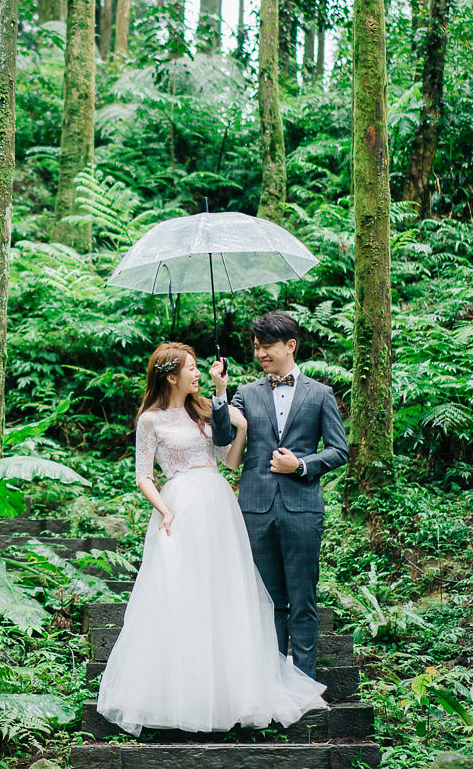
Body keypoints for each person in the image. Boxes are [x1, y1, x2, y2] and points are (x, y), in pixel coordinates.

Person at [95, 342, 328, 736]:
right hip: (180, 505)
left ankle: (233, 686)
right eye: (192, 367)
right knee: (182, 593)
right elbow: (143, 476)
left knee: (225, 592)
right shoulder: (150, 420)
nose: (198, 372)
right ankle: (184, 691)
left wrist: (239, 425)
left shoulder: (202, 409)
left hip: (218, 503)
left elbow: (229, 461)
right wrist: (165, 510)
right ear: (172, 377)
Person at [210, 311, 349, 680]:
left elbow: (339, 450)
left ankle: (304, 683)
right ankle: (269, 683)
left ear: (291, 345)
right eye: (256, 347)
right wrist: (221, 394)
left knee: (302, 599)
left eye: (267, 346)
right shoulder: (246, 393)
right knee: (266, 600)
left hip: (302, 508)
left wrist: (300, 465)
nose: (260, 354)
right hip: (255, 508)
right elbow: (223, 438)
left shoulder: (320, 394)